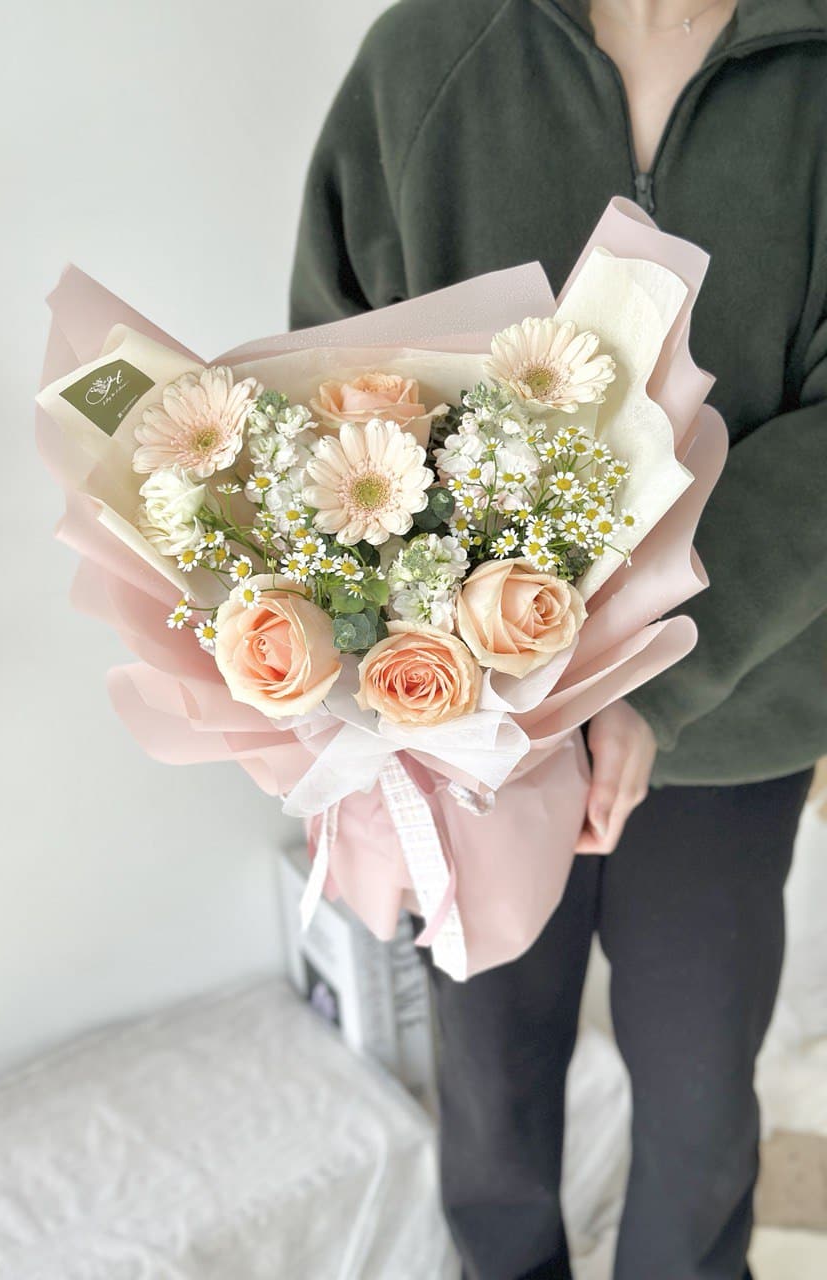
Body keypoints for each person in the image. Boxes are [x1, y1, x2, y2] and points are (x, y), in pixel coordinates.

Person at [288, 1, 826, 1277]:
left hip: (734, 721)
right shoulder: (428, 57)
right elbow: (330, 371)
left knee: (700, 1105)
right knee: (490, 1093)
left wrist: (650, 684)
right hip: (472, 726)